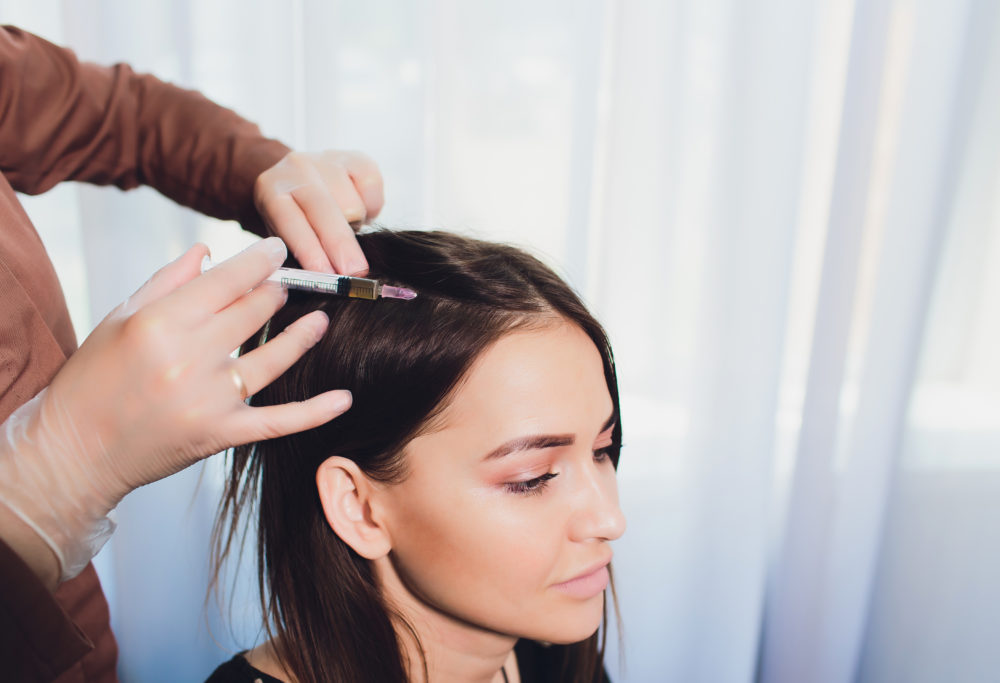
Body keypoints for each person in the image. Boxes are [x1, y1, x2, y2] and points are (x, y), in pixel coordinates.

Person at [0, 25, 383, 682]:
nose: (607, 521)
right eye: (530, 478)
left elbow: (120, 115)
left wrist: (262, 168)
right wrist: (32, 499)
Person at [205, 230, 627, 683]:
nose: (609, 521)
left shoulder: (553, 660)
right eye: (533, 477)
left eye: (602, 451)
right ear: (358, 506)